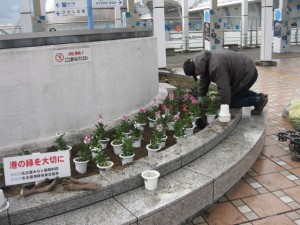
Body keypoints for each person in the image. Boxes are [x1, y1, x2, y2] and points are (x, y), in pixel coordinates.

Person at [183, 49, 268, 115]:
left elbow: (224, 89)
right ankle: (259, 97)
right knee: (238, 92)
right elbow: (204, 79)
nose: (198, 75)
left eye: (196, 74)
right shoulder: (202, 61)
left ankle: (259, 100)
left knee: (232, 101)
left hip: (247, 74)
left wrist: (223, 108)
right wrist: (201, 95)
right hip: (244, 69)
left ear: (197, 69)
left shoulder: (215, 67)